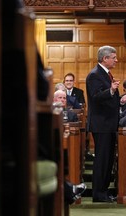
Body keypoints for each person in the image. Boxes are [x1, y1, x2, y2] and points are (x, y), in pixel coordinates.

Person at [37, 52, 86, 205]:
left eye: (64, 98)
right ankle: (68, 189)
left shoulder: (71, 114)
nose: (62, 100)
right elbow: (41, 87)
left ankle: (67, 188)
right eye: (59, 97)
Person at [86, 45, 120, 203]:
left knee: (108, 160)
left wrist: (121, 100)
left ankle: (104, 192)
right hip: (102, 124)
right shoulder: (94, 75)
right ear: (105, 58)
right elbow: (95, 96)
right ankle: (98, 194)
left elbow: (107, 99)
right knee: (102, 159)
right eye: (113, 57)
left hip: (108, 124)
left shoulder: (104, 74)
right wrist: (111, 91)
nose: (116, 60)